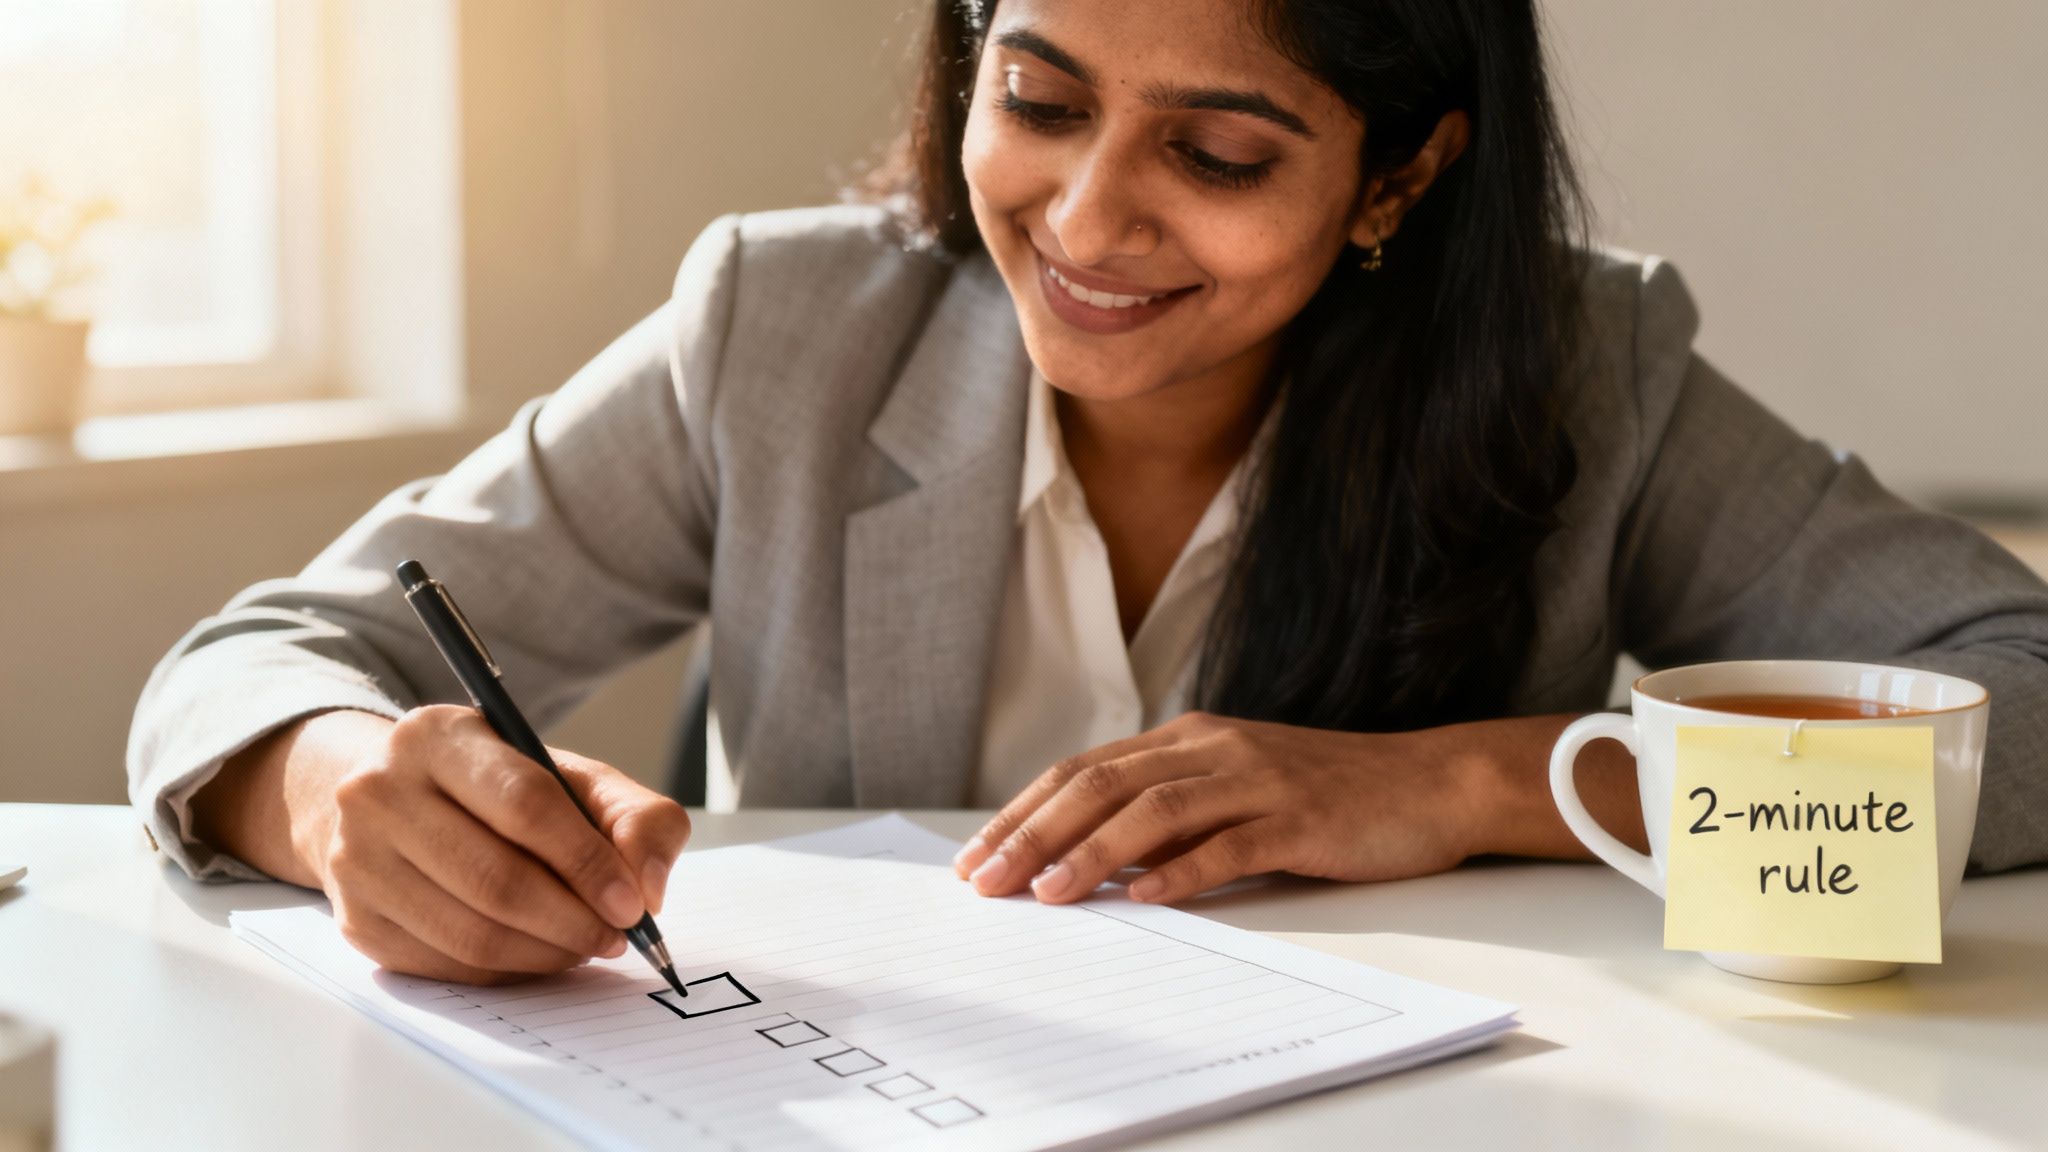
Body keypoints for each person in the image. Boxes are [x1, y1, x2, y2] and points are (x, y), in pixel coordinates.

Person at [129, 0, 2048, 985]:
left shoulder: (1585, 373)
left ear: (1398, 178)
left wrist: (1478, 780)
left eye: (1215, 150)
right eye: (1037, 101)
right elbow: (268, 655)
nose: (1086, 219)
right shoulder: (783, 328)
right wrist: (320, 790)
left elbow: (2021, 703)